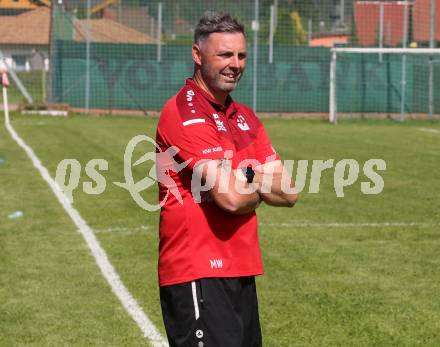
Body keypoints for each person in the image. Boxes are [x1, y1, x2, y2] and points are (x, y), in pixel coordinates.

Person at [155, 11, 297, 347]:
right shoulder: (184, 113)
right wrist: (259, 181)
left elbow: (289, 191)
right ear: (197, 54)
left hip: (241, 267)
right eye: (224, 54)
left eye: (241, 55)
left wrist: (245, 176)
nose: (234, 64)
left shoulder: (246, 117)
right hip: (198, 271)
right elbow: (230, 199)